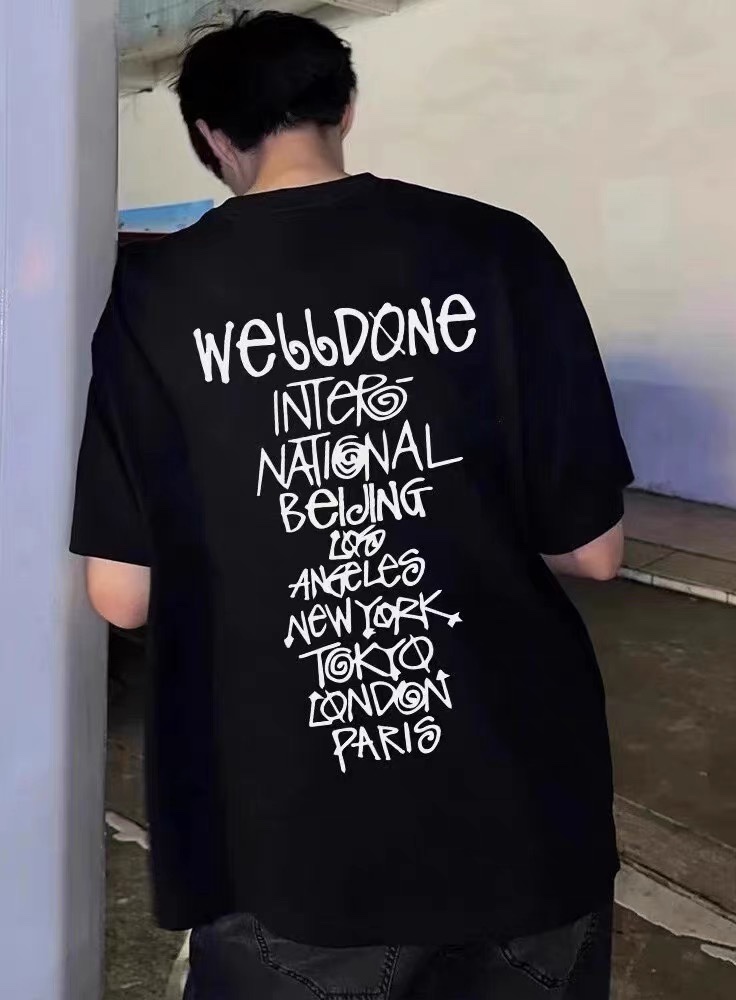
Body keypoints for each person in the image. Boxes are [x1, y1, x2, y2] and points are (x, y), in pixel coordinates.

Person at [71, 11, 632, 999]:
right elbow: (594, 550)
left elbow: (123, 595)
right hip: (523, 806)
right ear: (346, 109)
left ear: (211, 136)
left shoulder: (157, 299)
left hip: (291, 834)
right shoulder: (499, 250)